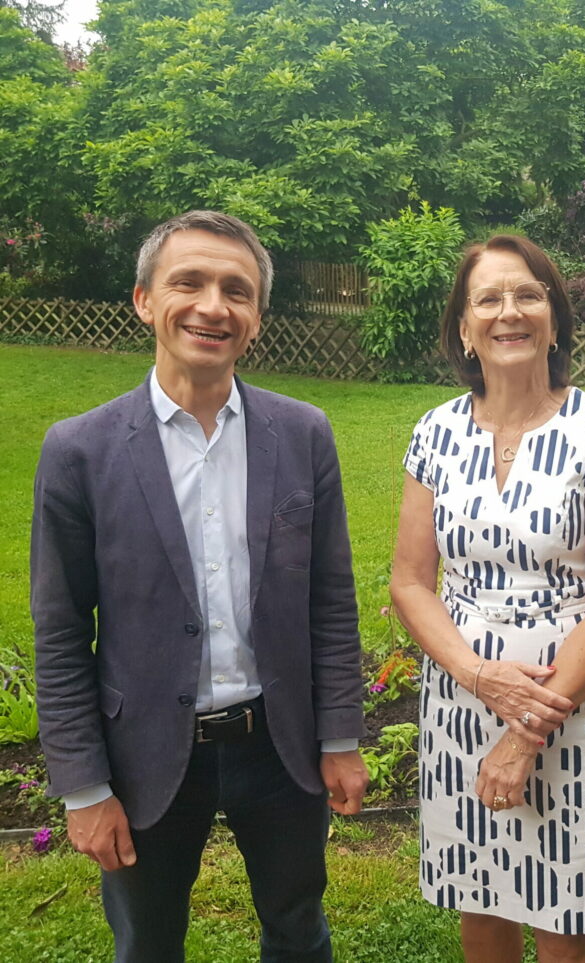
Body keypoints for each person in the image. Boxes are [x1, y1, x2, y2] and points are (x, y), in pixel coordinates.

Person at [31, 210, 369, 962]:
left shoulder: (304, 433)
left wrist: (340, 738)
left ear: (256, 318)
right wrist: (84, 787)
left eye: (236, 290)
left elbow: (331, 600)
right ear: (145, 300)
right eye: (189, 282)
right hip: (144, 750)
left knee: (298, 929)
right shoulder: (79, 451)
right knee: (148, 942)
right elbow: (59, 631)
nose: (213, 306)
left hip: (278, 745)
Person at [389, 235, 585, 963]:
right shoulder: (435, 433)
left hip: (569, 706)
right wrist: (477, 675)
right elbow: (410, 580)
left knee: (568, 912)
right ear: (465, 330)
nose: (510, 312)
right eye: (489, 299)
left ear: (554, 320)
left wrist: (525, 733)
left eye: (529, 294)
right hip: (462, 701)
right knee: (480, 900)